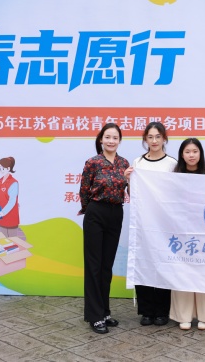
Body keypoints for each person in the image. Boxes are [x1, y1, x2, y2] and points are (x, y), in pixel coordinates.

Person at [124, 122, 177, 326]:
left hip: (164, 223)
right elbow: (133, 194)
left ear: (164, 139)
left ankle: (162, 311)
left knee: (163, 264)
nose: (154, 141)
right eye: (150, 137)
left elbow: (176, 193)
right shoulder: (138, 162)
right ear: (145, 139)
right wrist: (128, 180)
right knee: (143, 263)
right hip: (143, 224)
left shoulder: (171, 163)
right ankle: (146, 311)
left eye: (158, 137)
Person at [80, 123, 130, 334]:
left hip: (116, 213)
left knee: (106, 266)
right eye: (107, 137)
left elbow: (131, 191)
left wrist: (129, 180)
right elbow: (84, 191)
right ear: (101, 139)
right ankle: (95, 316)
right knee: (94, 265)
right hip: (96, 213)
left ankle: (105, 311)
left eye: (115, 137)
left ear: (119, 140)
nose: (111, 141)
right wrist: (91, 210)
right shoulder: (93, 162)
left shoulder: (124, 163)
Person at [169, 138, 205, 330]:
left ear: (200, 154)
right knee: (182, 272)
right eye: (187, 151)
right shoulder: (174, 177)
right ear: (182, 155)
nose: (191, 155)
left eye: (195, 151)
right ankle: (183, 315)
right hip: (181, 232)